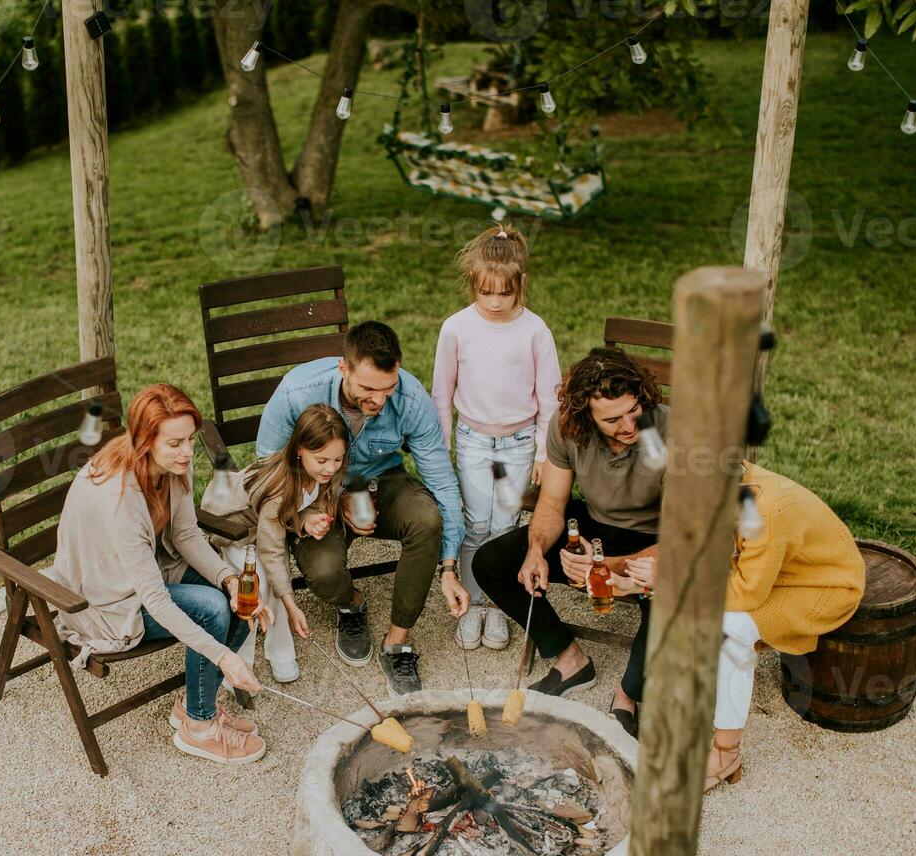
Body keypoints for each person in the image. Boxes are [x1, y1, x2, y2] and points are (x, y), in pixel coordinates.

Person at [51, 384, 270, 766]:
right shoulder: (119, 497)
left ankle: (192, 704)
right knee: (212, 610)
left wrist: (229, 580)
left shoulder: (172, 465)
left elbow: (185, 535)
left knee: (239, 598)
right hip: (106, 601)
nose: (187, 452)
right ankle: (199, 729)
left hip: (149, 568)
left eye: (189, 440)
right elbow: (154, 599)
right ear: (144, 441)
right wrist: (223, 657)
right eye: (175, 444)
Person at [257, 320, 470, 695]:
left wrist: (450, 566)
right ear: (344, 368)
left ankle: (397, 642)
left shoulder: (410, 398)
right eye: (368, 389)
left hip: (380, 483)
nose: (379, 400)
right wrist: (317, 509)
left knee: (426, 518)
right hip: (316, 492)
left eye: (388, 388)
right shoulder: (296, 392)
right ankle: (352, 605)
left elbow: (441, 481)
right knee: (322, 572)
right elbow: (267, 477)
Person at [471, 348, 665, 736]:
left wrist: (605, 567)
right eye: (612, 419)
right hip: (594, 528)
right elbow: (553, 503)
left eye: (635, 410)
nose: (629, 425)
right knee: (490, 562)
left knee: (674, 596)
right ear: (585, 416)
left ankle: (627, 694)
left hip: (656, 540)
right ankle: (569, 656)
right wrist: (536, 551)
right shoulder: (566, 428)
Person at [689, 460, 865, 790]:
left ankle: (727, 754)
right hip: (782, 573)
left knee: (730, 629)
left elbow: (746, 592)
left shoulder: (762, 511)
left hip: (826, 585)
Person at [431, 223, 560, 652]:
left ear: (520, 285)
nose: (495, 302)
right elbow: (442, 393)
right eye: (486, 293)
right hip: (472, 440)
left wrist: (544, 452)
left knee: (505, 526)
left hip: (518, 443)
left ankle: (498, 606)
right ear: (473, 285)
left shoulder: (536, 331)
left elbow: (549, 399)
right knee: (475, 524)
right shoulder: (456, 328)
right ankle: (472, 604)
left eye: (505, 293)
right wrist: (442, 446)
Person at [208, 405, 349, 684]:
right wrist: (292, 604)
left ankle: (279, 650)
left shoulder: (319, 472)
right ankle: (240, 658)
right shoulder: (278, 489)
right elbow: (271, 552)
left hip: (263, 527)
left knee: (272, 578)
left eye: (338, 460)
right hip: (231, 529)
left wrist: (307, 520)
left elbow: (301, 507)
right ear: (299, 450)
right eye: (322, 460)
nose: (331, 468)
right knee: (258, 582)